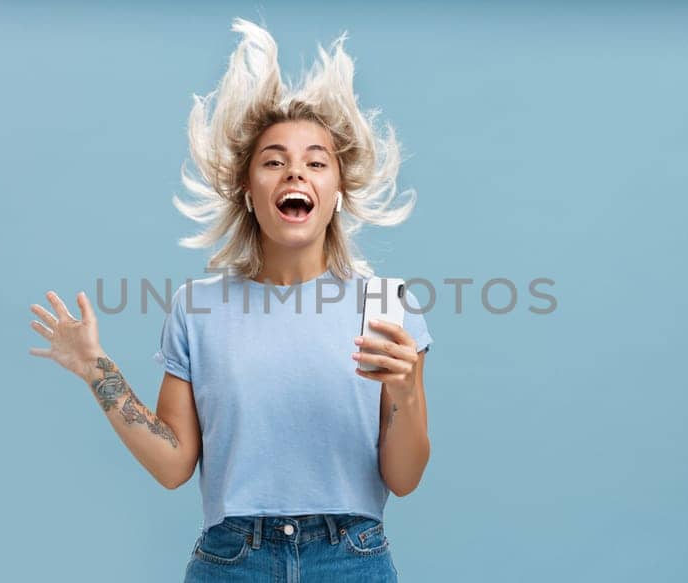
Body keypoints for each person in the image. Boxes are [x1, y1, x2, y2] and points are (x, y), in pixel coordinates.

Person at [27, 18, 430, 582]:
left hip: (352, 559)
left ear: (338, 190)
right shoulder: (198, 308)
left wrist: (406, 390)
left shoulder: (387, 306)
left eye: (317, 161)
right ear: (248, 189)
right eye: (273, 160)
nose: (296, 170)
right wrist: (96, 368)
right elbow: (173, 464)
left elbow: (404, 478)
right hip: (233, 561)